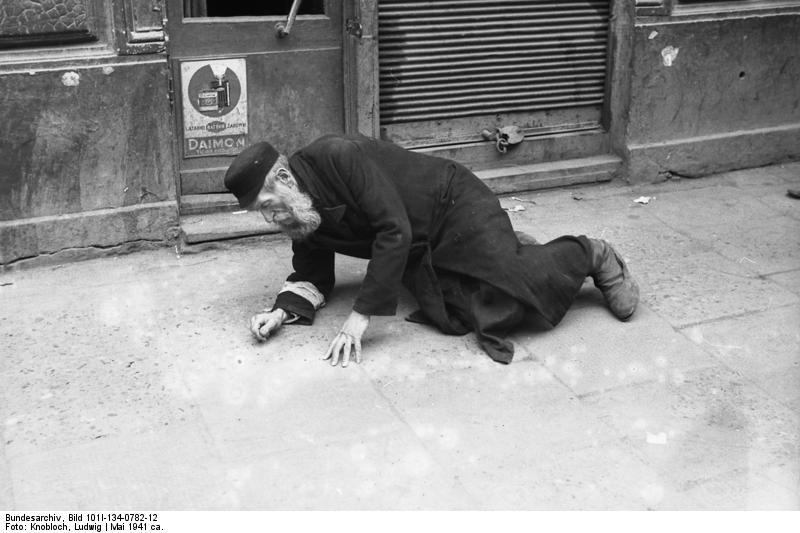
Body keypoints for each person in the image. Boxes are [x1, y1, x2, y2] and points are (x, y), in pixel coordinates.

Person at [224, 134, 639, 367]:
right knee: (467, 313)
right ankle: (508, 250)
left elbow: (393, 228)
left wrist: (359, 318)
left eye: (266, 206)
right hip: (421, 246)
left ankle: (590, 253)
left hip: (452, 203)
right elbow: (312, 272)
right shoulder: (298, 210)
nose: (269, 218)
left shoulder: (338, 156)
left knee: (520, 299)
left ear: (283, 177)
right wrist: (279, 312)